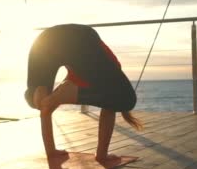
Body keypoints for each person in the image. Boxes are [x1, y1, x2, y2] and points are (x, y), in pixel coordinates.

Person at [24, 24, 143, 161]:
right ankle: (101, 155)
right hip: (81, 39)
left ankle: (38, 94)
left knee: (40, 102)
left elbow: (47, 108)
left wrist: (51, 150)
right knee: (125, 100)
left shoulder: (90, 72)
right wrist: (101, 155)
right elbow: (109, 109)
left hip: (45, 39)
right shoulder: (110, 72)